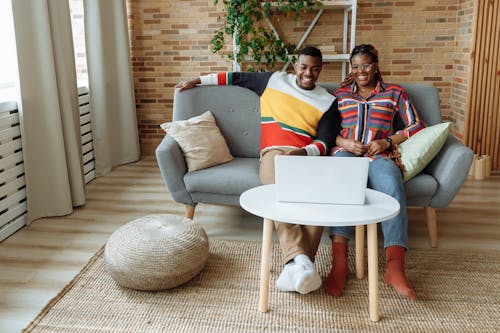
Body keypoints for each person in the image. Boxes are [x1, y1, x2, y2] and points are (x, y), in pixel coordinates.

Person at [176, 46, 341, 294]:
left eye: (315, 69)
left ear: (320, 69)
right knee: (279, 192)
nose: (309, 73)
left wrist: (303, 152)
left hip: (306, 158)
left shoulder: (328, 101)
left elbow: (325, 142)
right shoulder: (273, 81)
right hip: (275, 154)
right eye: (304, 67)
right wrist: (197, 80)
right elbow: (234, 77)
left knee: (315, 206)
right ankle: (300, 262)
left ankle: (296, 270)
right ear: (295, 65)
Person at [324, 44, 424, 300]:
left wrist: (387, 142)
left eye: (366, 65)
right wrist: (345, 143)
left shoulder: (394, 93)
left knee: (392, 182)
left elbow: (416, 125)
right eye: (355, 66)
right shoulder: (341, 95)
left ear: (376, 65)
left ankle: (395, 268)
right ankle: (340, 264)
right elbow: (326, 133)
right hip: (346, 154)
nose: (361, 71)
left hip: (379, 155)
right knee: (340, 182)